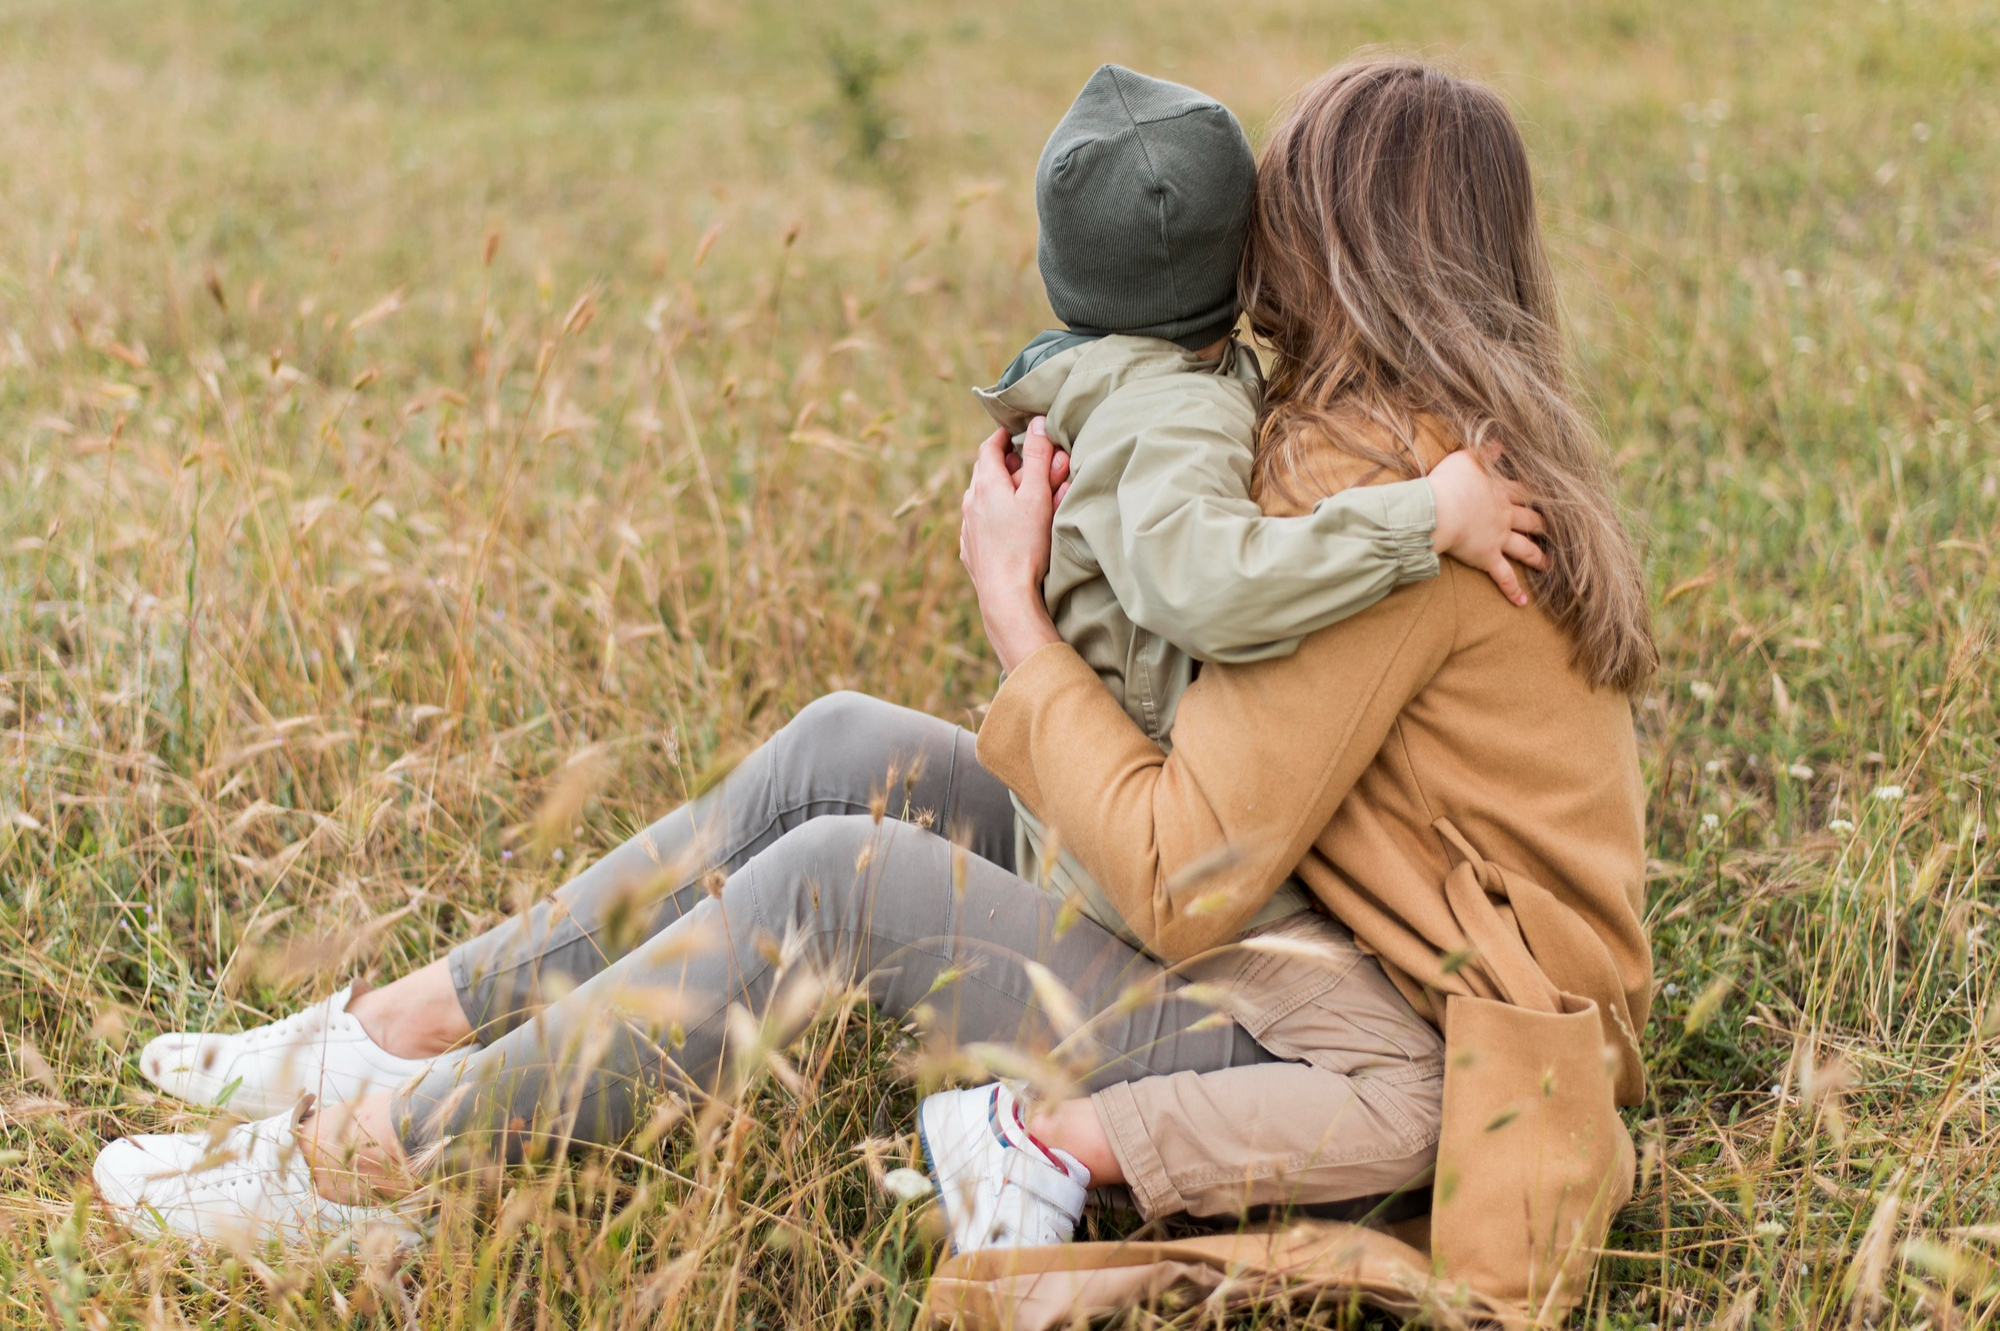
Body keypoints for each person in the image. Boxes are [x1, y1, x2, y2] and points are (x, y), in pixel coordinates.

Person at [94, 58, 1651, 1299]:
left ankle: (358, 1156)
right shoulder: (1427, 450)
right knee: (845, 746)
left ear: (1322, 247)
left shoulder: (1386, 504)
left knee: (844, 879)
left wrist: (1016, 616)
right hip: (1322, 947)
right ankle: (400, 1030)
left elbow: (1181, 873)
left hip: (1383, 1064)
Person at [967, 64, 1539, 969]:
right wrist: (1424, 516)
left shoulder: (1172, 388)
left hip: (1116, 853)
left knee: (827, 792)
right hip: (1128, 881)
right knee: (833, 811)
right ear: (1243, 246)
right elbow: (1211, 584)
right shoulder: (1171, 413)